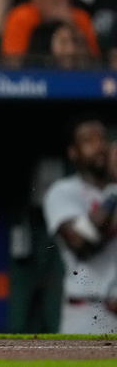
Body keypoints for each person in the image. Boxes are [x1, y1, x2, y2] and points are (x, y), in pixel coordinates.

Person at [42, 120, 117, 334]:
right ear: (73, 153)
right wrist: (114, 191)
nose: (98, 146)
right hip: (87, 312)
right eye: (88, 141)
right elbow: (79, 241)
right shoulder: (63, 192)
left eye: (102, 140)